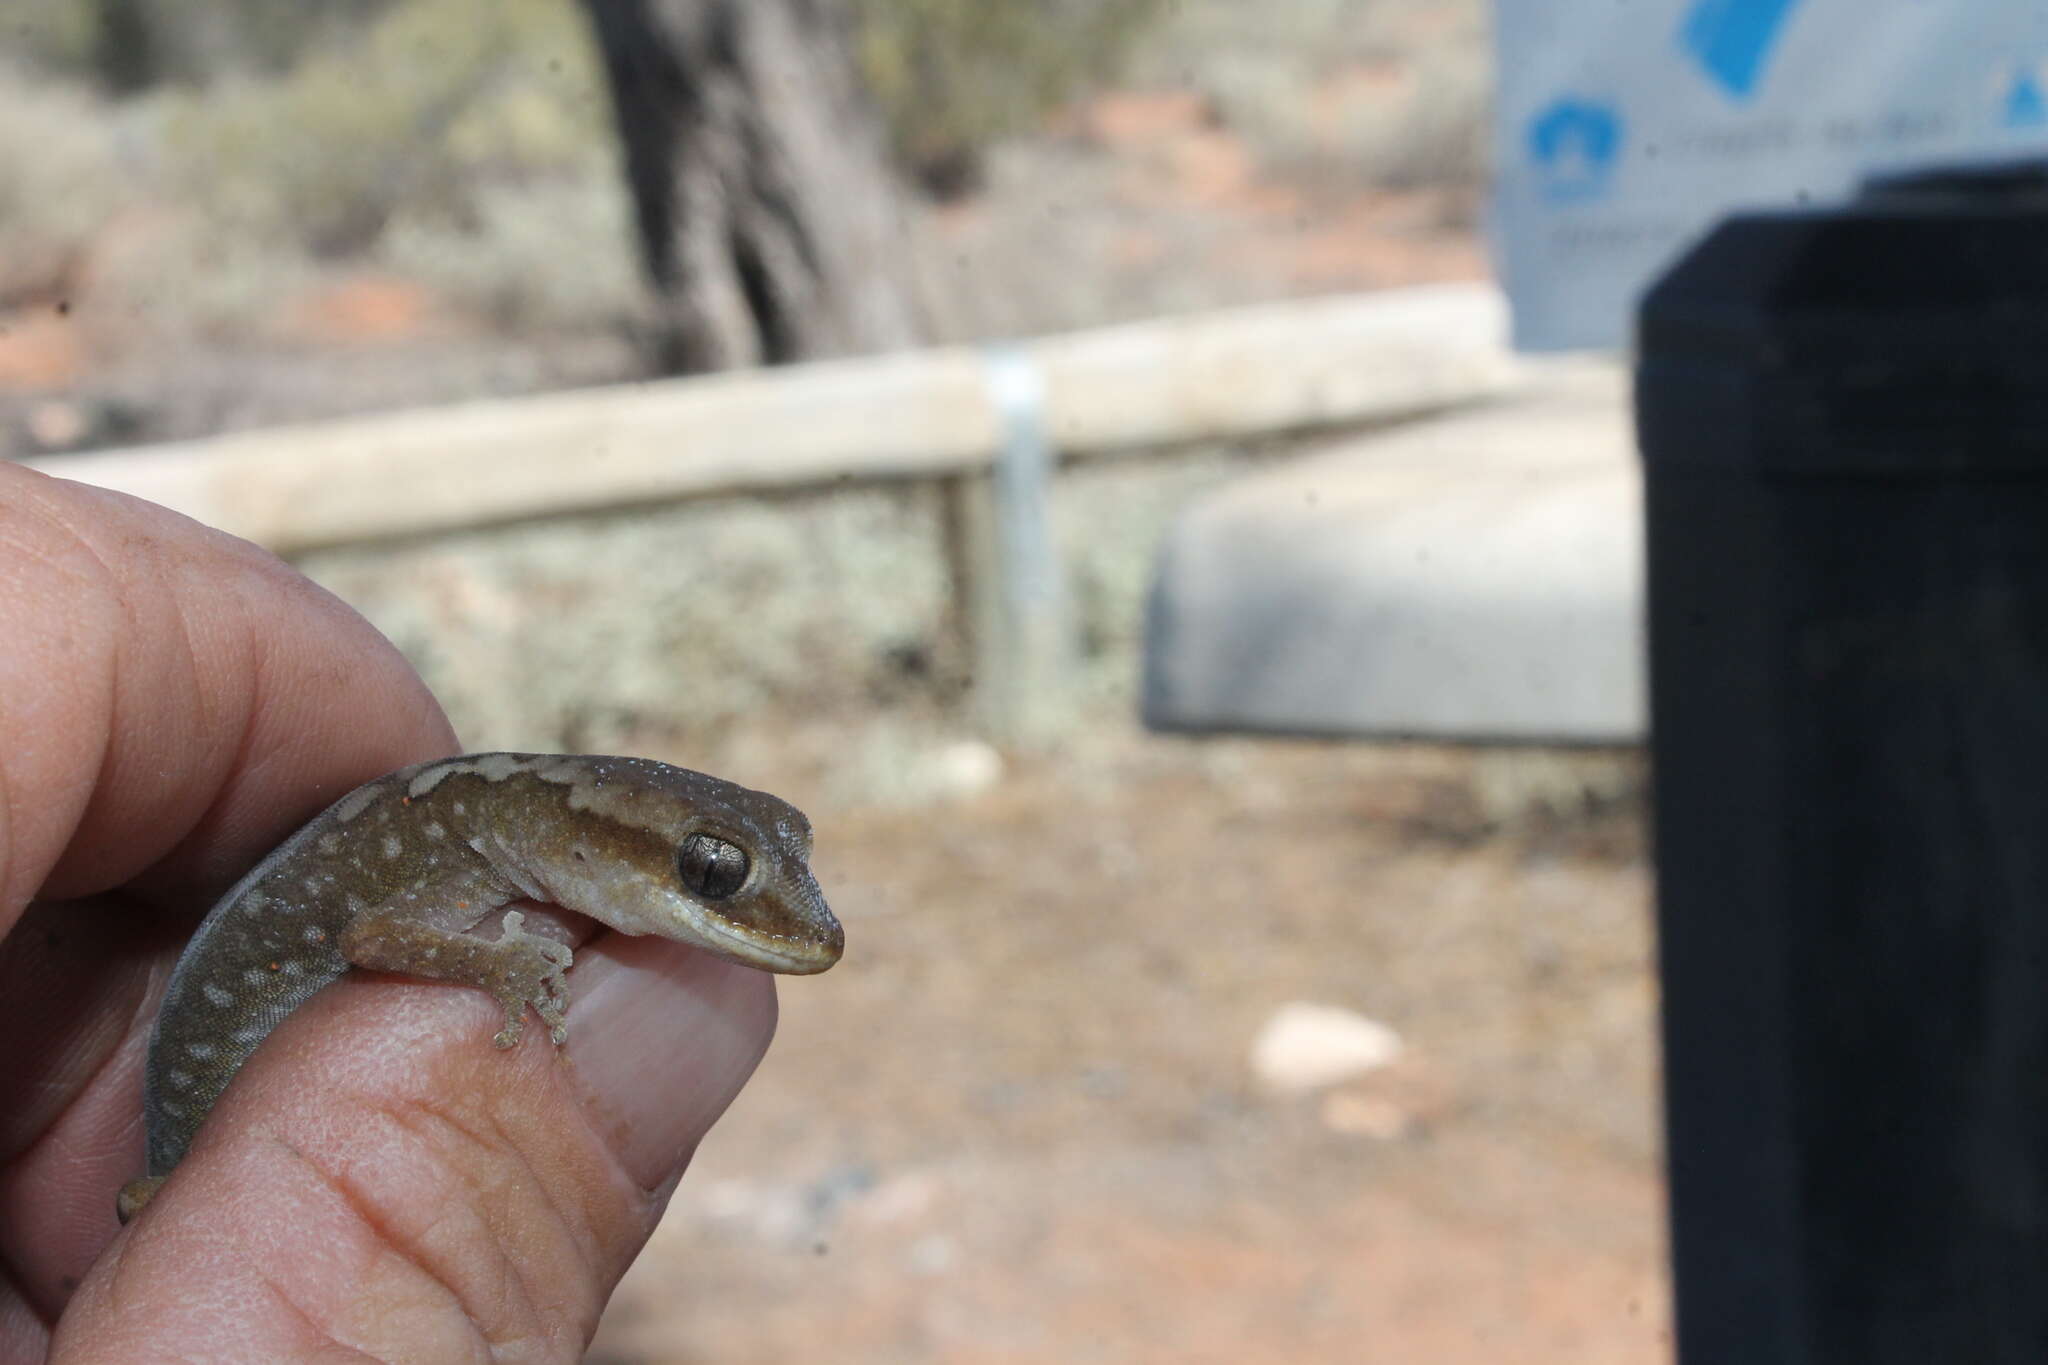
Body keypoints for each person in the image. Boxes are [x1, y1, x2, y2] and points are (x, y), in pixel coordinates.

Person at [0, 464, 779, 1360]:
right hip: (179, 1165)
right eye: (710, 870)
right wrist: (499, 964)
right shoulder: (457, 841)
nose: (779, 916)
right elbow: (368, 937)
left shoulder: (471, 833)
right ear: (592, 845)